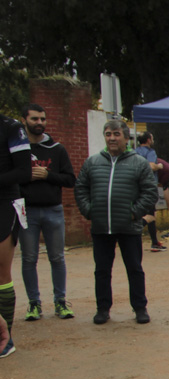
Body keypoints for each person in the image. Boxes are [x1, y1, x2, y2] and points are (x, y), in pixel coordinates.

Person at [75, 120, 158, 325]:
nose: (112, 138)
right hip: (101, 228)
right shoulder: (92, 162)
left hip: (129, 228)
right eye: (108, 134)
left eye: (116, 134)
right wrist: (89, 210)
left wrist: (133, 213)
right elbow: (81, 188)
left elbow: (150, 192)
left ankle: (140, 307)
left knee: (134, 269)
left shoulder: (138, 162)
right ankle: (102, 309)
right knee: (102, 270)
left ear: (126, 138)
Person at [19, 103, 75, 321]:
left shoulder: (57, 149)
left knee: (57, 258)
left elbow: (70, 179)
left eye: (43, 119)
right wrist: (27, 176)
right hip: (28, 212)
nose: (39, 123)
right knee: (28, 259)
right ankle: (34, 304)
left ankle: (60, 302)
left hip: (53, 210)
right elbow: (11, 179)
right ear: (25, 120)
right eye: (34, 119)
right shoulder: (18, 149)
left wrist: (47, 175)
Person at [0, 111, 32, 357]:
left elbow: (24, 172)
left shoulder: (11, 128)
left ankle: (5, 339)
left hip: (5, 204)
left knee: (2, 272)